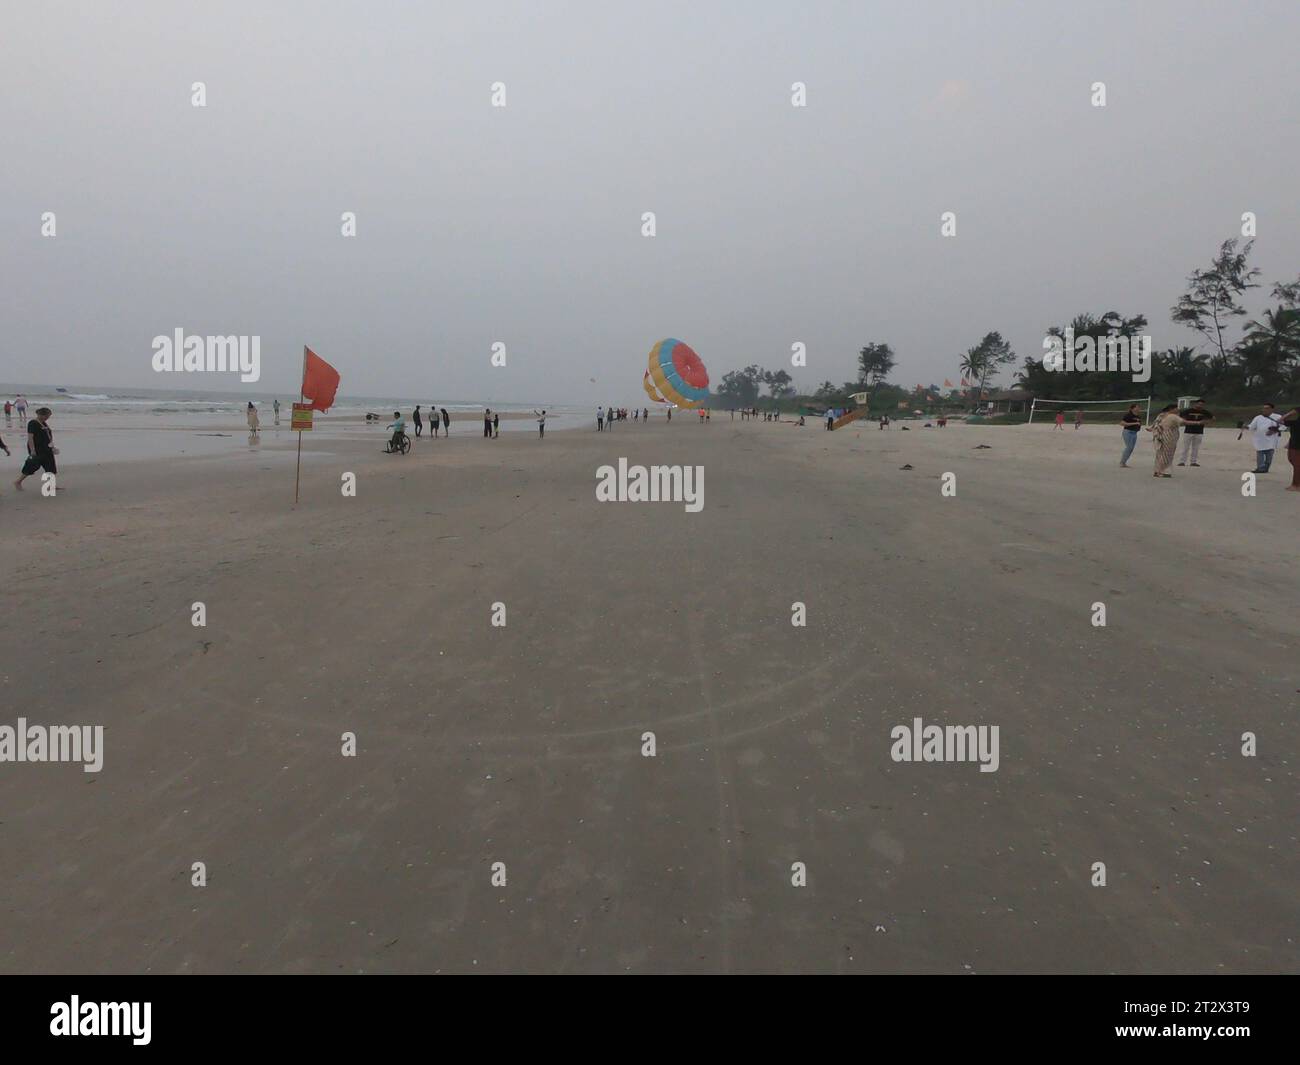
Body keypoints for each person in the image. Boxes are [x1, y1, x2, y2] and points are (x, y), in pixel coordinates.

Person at [14, 406, 56, 491]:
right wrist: (32, 450)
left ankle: (50, 485)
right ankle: (18, 482)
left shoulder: (44, 423)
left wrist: (52, 446)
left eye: (48, 417)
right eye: (47, 416)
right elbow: (30, 437)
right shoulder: (33, 423)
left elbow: (47, 435)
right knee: (31, 466)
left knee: (51, 467)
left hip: (47, 449)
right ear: (41, 414)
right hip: (37, 449)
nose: (47, 418)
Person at [1147, 404, 1187, 477]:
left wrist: (1152, 429)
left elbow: (1155, 424)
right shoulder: (1172, 416)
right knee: (1167, 454)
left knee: (1160, 454)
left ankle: (1157, 470)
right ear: (1171, 409)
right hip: (1169, 435)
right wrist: (1197, 422)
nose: (1177, 409)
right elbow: (1183, 422)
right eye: (1176, 408)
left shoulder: (1161, 415)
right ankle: (1163, 471)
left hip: (1159, 436)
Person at [1245, 403, 1283, 473]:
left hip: (1272, 439)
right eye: (1264, 408)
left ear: (1272, 409)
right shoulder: (1258, 417)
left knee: (1269, 455)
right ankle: (1260, 468)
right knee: (1260, 453)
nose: (1265, 410)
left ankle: (1266, 468)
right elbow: (1252, 426)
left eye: (1267, 408)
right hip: (1260, 439)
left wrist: (1274, 430)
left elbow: (1283, 426)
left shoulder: (1278, 417)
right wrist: (1245, 426)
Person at [1177, 398, 1213, 466]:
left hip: (1199, 431)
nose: (1200, 405)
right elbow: (1180, 416)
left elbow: (1212, 418)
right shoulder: (1189, 411)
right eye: (1199, 404)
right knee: (1185, 447)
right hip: (1188, 431)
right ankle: (1182, 461)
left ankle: (1193, 461)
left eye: (1202, 404)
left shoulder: (1204, 412)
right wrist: (1184, 422)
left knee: (1196, 448)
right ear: (1196, 404)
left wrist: (1206, 422)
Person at [1282, 405, 1300, 491]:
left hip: (1296, 446)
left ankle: (1296, 485)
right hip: (1294, 444)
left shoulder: (1296, 422)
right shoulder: (1295, 422)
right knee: (1293, 462)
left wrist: (1290, 413)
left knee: (1296, 465)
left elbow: (1281, 420)